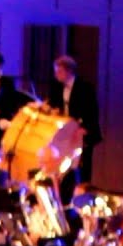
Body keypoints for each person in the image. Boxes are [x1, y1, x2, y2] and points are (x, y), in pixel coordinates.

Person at [47, 55, 102, 183]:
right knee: (64, 163)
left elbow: (92, 111)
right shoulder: (56, 87)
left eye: (59, 72)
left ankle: (84, 188)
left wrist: (84, 128)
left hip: (82, 131)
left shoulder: (85, 88)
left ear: (69, 71)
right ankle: (65, 189)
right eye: (56, 72)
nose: (56, 75)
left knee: (83, 164)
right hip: (64, 132)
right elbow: (52, 105)